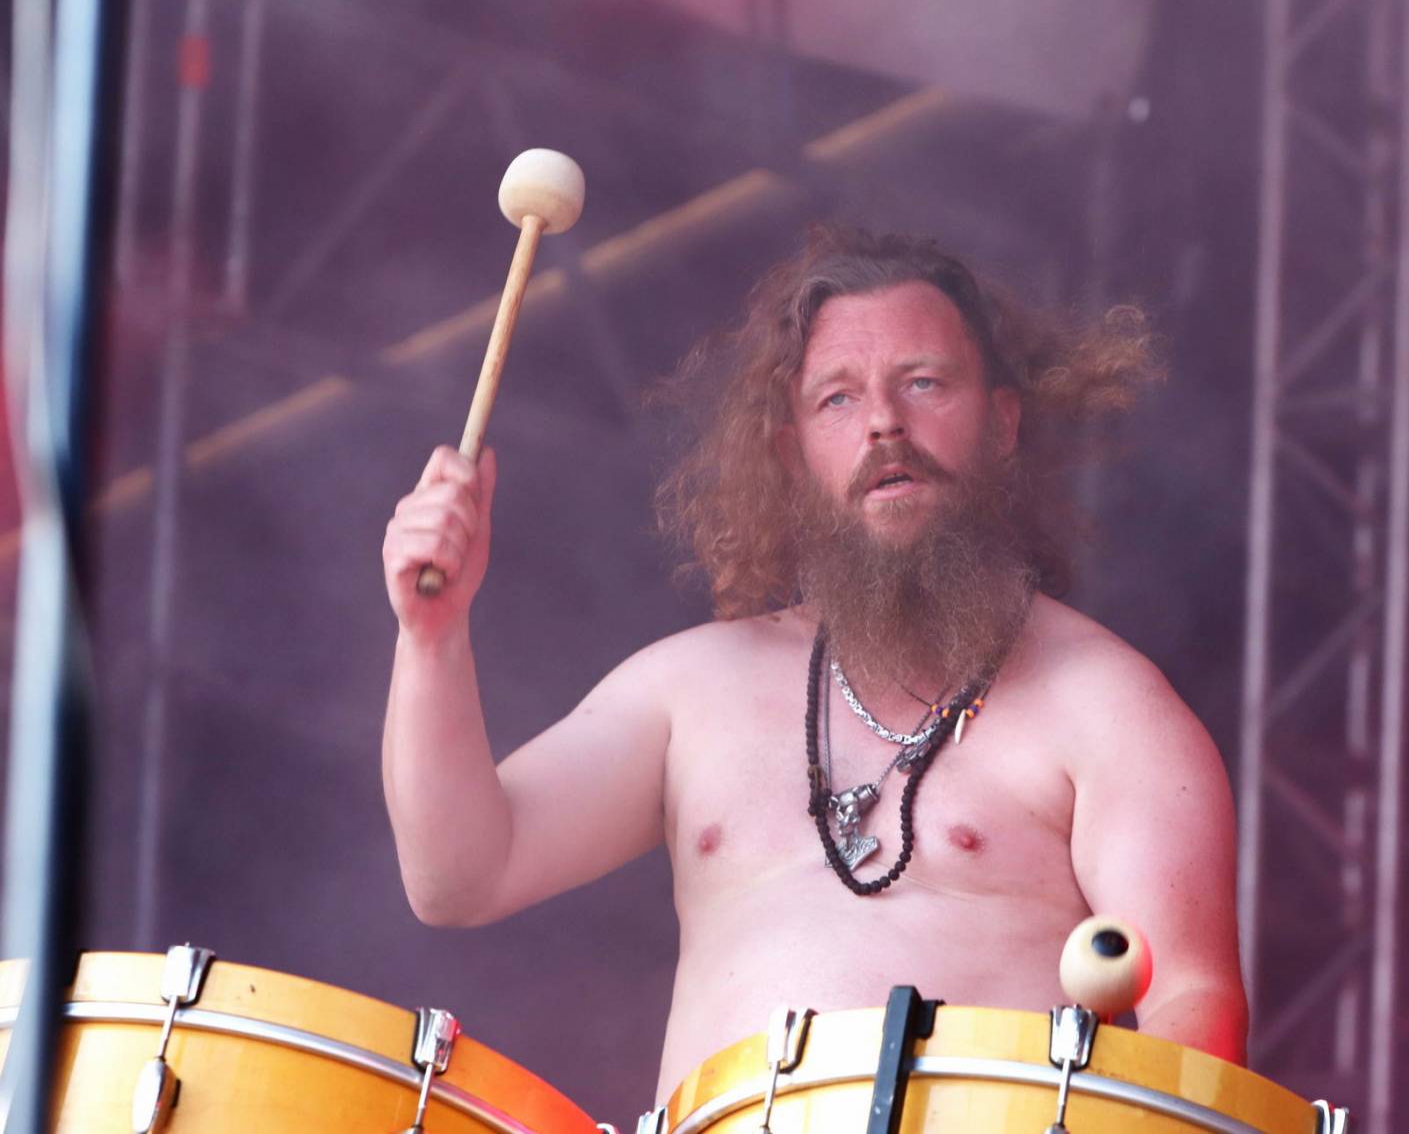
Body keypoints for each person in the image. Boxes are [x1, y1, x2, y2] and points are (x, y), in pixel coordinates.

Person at [381, 226, 1247, 1101]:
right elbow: (460, 876)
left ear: (1002, 422)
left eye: (924, 382)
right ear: (793, 457)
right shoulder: (691, 690)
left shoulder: (1107, 705)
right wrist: (433, 638)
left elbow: (1192, 1003)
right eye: (837, 398)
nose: (884, 422)